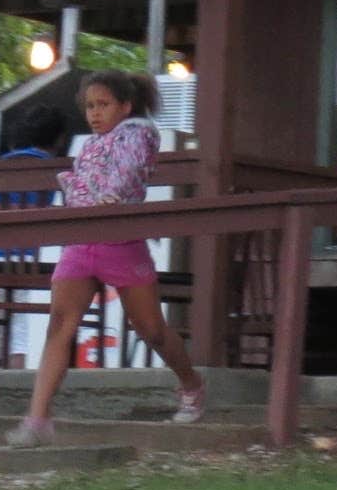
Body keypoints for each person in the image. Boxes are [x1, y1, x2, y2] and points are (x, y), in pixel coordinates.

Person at [11, 69, 205, 443]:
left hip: (121, 240)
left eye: (103, 105)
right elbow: (80, 184)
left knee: (151, 329)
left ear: (126, 107)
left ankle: (192, 384)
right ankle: (37, 420)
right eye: (89, 106)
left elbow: (130, 170)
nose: (94, 113)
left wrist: (109, 194)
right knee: (60, 326)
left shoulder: (139, 133)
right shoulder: (91, 145)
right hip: (81, 240)